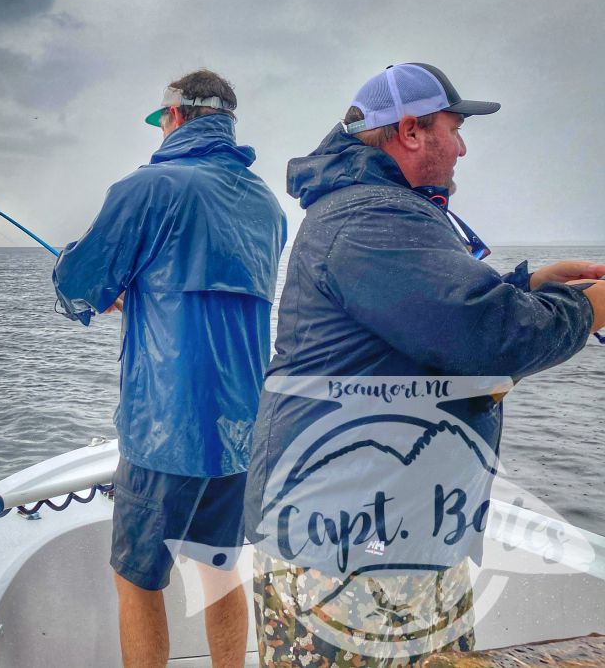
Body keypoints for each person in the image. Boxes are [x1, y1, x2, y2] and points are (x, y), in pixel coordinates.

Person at [243, 62, 605, 667]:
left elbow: (429, 314)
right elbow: (488, 337)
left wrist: (529, 281)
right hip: (353, 547)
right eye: (454, 129)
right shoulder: (372, 219)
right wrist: (588, 309)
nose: (462, 147)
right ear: (411, 131)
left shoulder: (372, 211)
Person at [53, 69, 286, 668]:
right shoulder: (266, 204)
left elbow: (80, 286)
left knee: (137, 581)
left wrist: (72, 270)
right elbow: (207, 289)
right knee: (221, 572)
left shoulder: (147, 187)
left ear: (175, 117)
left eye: (161, 120)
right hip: (241, 431)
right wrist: (142, 292)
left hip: (165, 432)